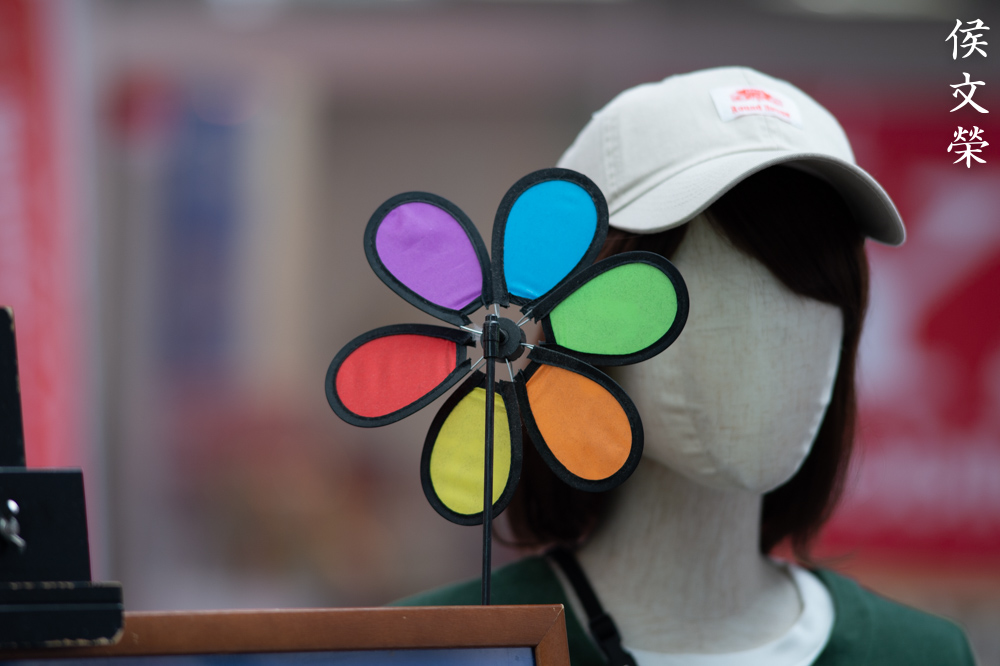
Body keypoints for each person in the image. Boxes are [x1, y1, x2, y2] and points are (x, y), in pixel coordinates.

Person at [394, 67, 976, 666]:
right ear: (573, 312)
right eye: (713, 290)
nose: (775, 341)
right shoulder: (438, 652)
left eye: (812, 294)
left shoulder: (920, 655)